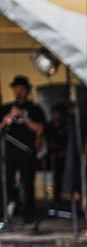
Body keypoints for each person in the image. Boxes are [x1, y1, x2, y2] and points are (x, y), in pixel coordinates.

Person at [0, 75, 45, 222]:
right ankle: (3, 216)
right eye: (16, 89)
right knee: (6, 182)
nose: (18, 92)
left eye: (21, 89)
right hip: (9, 151)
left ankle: (29, 215)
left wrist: (25, 119)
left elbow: (40, 128)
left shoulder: (35, 109)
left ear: (27, 91)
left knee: (27, 183)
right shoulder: (6, 108)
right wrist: (7, 119)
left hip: (26, 150)